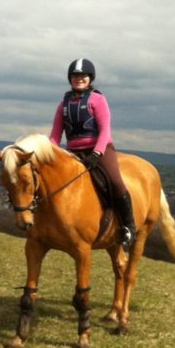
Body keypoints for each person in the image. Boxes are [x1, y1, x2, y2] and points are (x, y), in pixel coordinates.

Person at [49, 58, 136, 250]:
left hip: (100, 150)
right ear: (70, 78)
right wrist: (49, 152)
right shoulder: (63, 104)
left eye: (83, 76)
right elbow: (55, 134)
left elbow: (105, 130)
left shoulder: (98, 99)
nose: (79, 79)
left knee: (115, 182)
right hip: (73, 152)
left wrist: (97, 153)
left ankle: (128, 227)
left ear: (90, 78)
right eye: (75, 76)